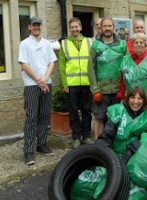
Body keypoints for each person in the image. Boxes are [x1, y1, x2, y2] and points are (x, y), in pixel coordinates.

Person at [18, 16, 57, 165]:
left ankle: (42, 144)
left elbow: (52, 62)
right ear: (29, 27)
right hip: (31, 85)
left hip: (46, 83)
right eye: (33, 25)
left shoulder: (46, 43)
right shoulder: (24, 44)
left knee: (45, 115)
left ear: (41, 26)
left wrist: (45, 79)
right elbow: (24, 65)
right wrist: (39, 81)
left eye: (38, 25)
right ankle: (28, 150)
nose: (36, 27)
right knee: (31, 117)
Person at [88, 17, 127, 140]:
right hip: (101, 90)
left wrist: (126, 90)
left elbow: (128, 67)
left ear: (113, 27)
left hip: (118, 91)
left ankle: (115, 145)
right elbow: (91, 69)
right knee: (99, 118)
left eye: (109, 26)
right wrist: (95, 89)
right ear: (101, 28)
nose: (107, 28)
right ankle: (98, 148)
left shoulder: (122, 45)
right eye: (104, 26)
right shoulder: (95, 46)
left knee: (117, 118)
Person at [59, 17, 94, 148]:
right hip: (72, 83)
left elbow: (93, 63)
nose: (74, 29)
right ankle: (76, 137)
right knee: (73, 112)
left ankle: (87, 136)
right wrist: (65, 84)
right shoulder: (64, 44)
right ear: (70, 29)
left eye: (76, 26)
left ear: (80, 27)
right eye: (72, 27)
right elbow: (62, 66)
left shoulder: (90, 42)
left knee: (87, 111)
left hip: (87, 82)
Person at [97, 86, 147, 157]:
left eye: (139, 98)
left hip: (137, 155)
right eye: (132, 98)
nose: (135, 102)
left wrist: (131, 149)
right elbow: (106, 136)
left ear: (144, 100)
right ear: (128, 99)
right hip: (114, 156)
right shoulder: (118, 112)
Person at [117, 33, 147, 109]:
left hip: (146, 98)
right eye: (136, 42)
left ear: (145, 45)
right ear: (132, 45)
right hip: (129, 99)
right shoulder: (125, 60)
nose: (139, 45)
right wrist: (121, 97)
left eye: (141, 42)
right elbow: (122, 81)